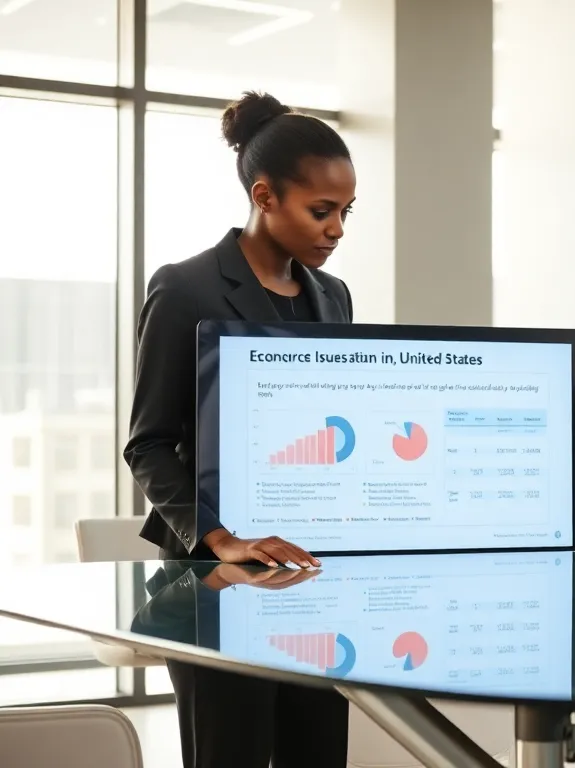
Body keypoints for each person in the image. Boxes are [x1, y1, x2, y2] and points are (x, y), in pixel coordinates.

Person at [123, 91, 356, 768]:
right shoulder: (187, 288)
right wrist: (219, 538)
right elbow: (148, 442)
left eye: (345, 212)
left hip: (310, 572)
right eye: (322, 210)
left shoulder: (333, 297)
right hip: (214, 577)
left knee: (318, 751)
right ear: (265, 196)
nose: (337, 228)